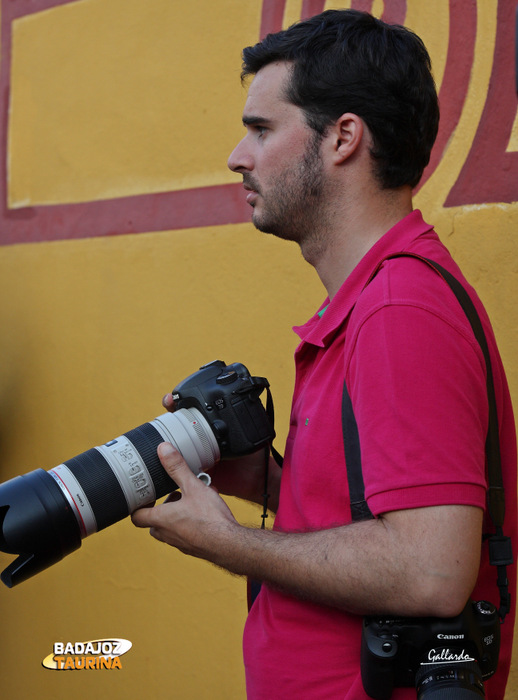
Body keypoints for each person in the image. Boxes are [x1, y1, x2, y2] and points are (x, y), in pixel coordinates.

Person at [131, 10, 517, 699]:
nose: (237, 156)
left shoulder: (401, 309)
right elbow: (382, 524)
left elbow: (431, 572)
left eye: (261, 129)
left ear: (343, 138)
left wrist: (227, 542)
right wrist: (274, 483)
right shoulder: (371, 301)